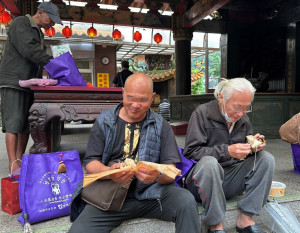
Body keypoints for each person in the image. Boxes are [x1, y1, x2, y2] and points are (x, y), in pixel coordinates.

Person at [69, 73, 201, 233]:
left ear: (152, 97)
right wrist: (110, 173)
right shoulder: (104, 121)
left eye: (143, 100)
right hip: (110, 196)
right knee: (79, 230)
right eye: (130, 97)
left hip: (152, 194)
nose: (135, 105)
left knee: (186, 201)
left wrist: (157, 175)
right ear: (123, 92)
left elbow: (171, 171)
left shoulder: (161, 125)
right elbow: (90, 162)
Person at [183, 78, 275, 233]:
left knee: (266, 159)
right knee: (209, 163)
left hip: (230, 180)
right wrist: (227, 151)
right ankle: (216, 224)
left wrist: (253, 147)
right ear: (221, 98)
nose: (240, 114)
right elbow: (191, 152)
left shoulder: (243, 119)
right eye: (237, 107)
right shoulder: (202, 114)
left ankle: (245, 218)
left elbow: (245, 151)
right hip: (201, 182)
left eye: (246, 108)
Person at [0, 2, 62, 174]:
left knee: (26, 124)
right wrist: (56, 64)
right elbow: (30, 50)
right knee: (14, 122)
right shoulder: (21, 23)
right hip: (14, 81)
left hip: (29, 82)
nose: (53, 24)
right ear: (40, 12)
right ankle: (13, 163)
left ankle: (20, 159)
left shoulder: (39, 32)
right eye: (52, 19)